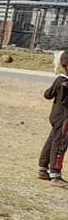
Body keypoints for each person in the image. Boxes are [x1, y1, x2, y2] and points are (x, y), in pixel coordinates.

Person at [38, 50, 68, 188]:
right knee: (60, 143)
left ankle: (43, 168)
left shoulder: (59, 80)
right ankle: (55, 174)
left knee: (51, 141)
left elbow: (47, 94)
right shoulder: (65, 84)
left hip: (55, 116)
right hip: (64, 118)